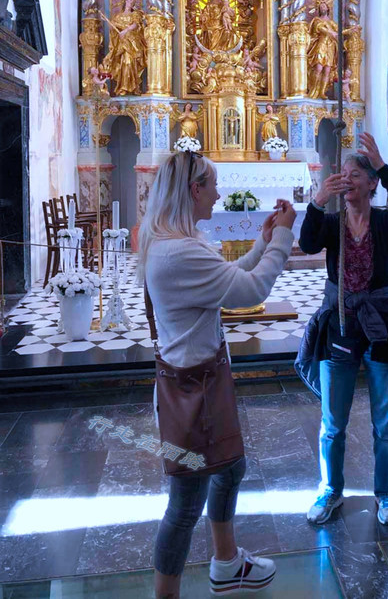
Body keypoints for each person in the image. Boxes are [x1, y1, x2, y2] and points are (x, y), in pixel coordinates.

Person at [138, 149, 296, 597]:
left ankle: (227, 563)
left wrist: (263, 244)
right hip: (194, 395)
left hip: (198, 383)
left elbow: (222, 279)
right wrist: (285, 237)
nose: (219, 194)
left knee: (230, 468)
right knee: (185, 506)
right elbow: (250, 289)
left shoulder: (172, 244)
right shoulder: (180, 252)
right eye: (212, 185)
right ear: (194, 190)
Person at [297, 132, 388, 527]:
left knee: (386, 423)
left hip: (382, 325)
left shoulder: (385, 221)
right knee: (333, 423)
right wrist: (318, 200)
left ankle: (386, 493)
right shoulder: (332, 223)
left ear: (371, 184)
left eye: (356, 174)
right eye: (343, 174)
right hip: (341, 325)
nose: (347, 179)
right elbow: (307, 243)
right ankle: (331, 490)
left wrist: (384, 167)